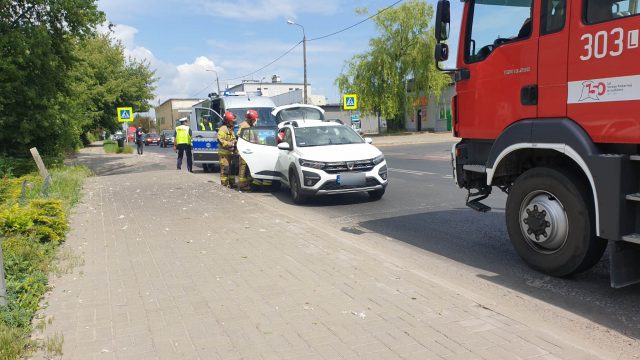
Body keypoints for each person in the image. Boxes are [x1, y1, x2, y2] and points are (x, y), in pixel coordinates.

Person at [237, 109, 259, 190]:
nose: (256, 121)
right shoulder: (244, 125)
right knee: (243, 167)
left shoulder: (250, 126)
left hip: (250, 150)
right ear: (251, 119)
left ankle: (248, 183)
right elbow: (240, 135)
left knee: (248, 168)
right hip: (245, 150)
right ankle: (242, 185)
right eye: (254, 119)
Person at [218, 111, 237, 187]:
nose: (234, 123)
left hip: (231, 153)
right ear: (228, 121)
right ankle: (224, 185)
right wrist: (230, 144)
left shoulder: (230, 129)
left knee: (232, 169)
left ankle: (232, 183)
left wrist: (235, 143)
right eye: (232, 121)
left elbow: (233, 138)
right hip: (224, 154)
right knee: (225, 169)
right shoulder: (223, 129)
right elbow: (220, 140)